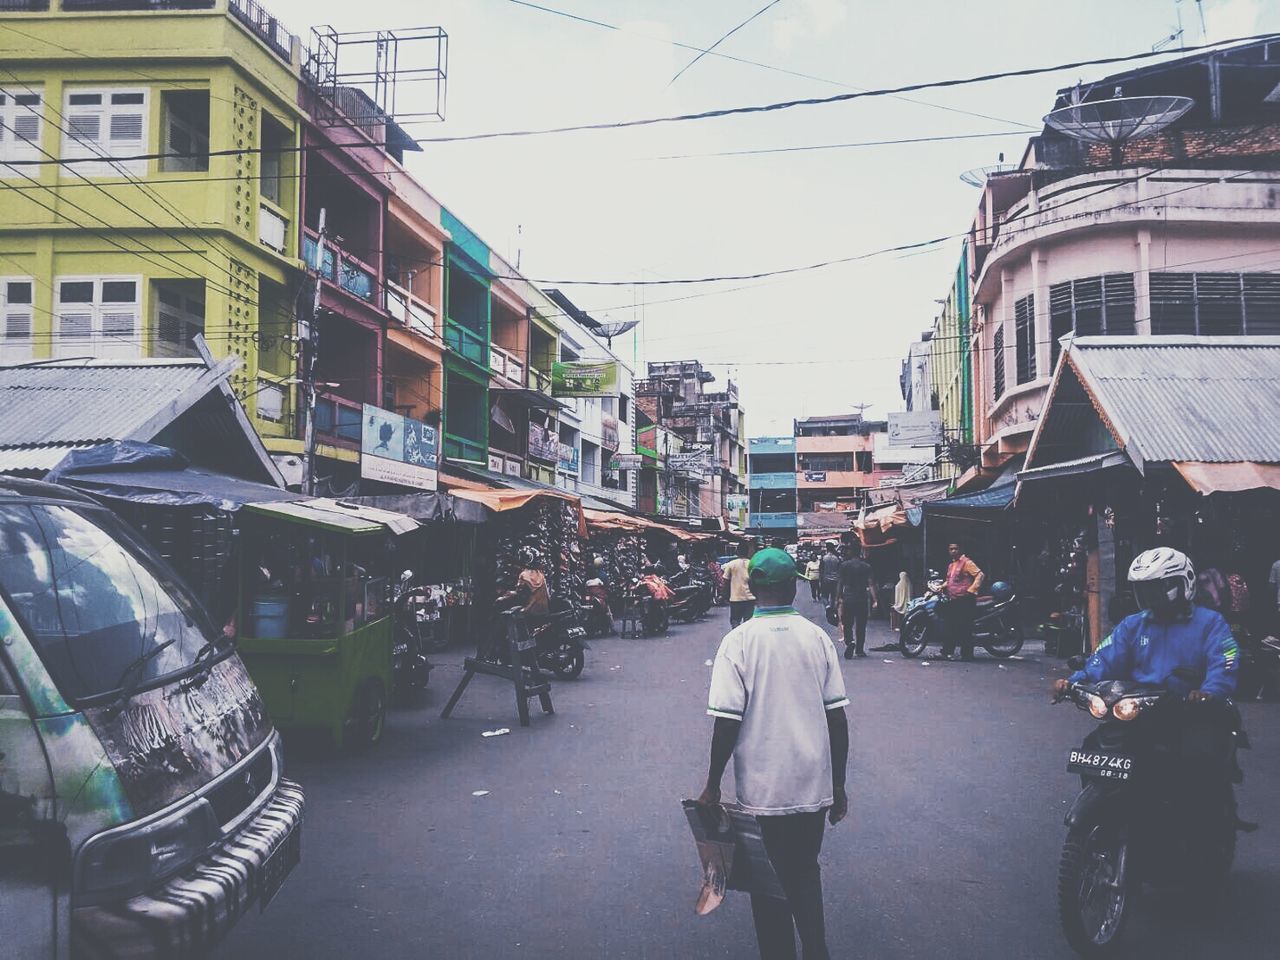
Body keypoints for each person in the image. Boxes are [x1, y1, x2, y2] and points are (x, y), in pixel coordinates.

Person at [699, 548, 849, 960]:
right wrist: (838, 786)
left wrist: (713, 783)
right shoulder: (817, 639)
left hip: (762, 792)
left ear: (753, 587)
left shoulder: (737, 642)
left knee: (769, 883)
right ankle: (816, 949)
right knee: (805, 870)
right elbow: (837, 718)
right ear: (791, 585)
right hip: (811, 788)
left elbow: (726, 723)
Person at [1054, 547, 1239, 807]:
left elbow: (1226, 659)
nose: (1150, 596)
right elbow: (1105, 657)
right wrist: (1074, 681)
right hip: (1139, 710)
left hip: (1189, 712)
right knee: (1094, 747)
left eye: (1157, 588)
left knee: (1200, 759)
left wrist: (1209, 690)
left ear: (1181, 583)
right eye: (1144, 589)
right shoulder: (1133, 624)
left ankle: (1202, 831)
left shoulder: (1210, 623)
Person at [933, 542, 984, 661]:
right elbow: (950, 581)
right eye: (951, 549)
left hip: (965, 600)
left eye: (956, 548)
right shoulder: (951, 565)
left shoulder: (967, 563)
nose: (953, 551)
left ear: (960, 550)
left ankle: (967, 655)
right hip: (954, 600)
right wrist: (941, 586)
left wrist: (972, 589)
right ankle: (946, 652)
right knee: (950, 626)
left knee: (965, 628)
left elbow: (980, 575)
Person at [837, 540, 878, 659]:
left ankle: (850, 642)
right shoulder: (866, 566)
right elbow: (871, 584)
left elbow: (840, 584)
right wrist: (875, 600)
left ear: (850, 551)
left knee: (847, 623)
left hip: (848, 598)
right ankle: (859, 650)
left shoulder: (844, 565)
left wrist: (837, 598)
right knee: (861, 625)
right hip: (862, 599)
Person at [722, 542, 756, 627]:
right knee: (748, 623)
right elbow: (755, 581)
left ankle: (737, 638)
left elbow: (725, 581)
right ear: (747, 552)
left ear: (737, 552)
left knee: (735, 621)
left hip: (736, 599)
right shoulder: (752, 563)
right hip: (750, 598)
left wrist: (724, 595)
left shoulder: (731, 564)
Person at [818, 541, 841, 611]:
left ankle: (827, 607)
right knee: (833, 596)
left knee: (824, 596)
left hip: (825, 580)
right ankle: (833, 608)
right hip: (835, 580)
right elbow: (839, 570)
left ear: (827, 548)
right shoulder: (837, 558)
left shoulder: (824, 558)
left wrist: (820, 580)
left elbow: (821, 571)